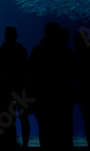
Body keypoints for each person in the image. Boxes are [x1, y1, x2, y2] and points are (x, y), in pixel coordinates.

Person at [27, 23, 74, 151]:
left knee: (46, 132)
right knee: (64, 132)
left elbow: (31, 75)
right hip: (63, 99)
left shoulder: (38, 50)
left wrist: (30, 99)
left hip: (42, 99)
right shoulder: (67, 52)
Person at [0, 27, 30, 148]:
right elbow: (27, 67)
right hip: (20, 84)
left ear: (5, 36)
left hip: (5, 85)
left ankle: (10, 142)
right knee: (23, 116)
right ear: (16, 35)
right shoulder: (21, 50)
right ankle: (25, 143)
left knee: (7, 116)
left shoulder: (1, 51)